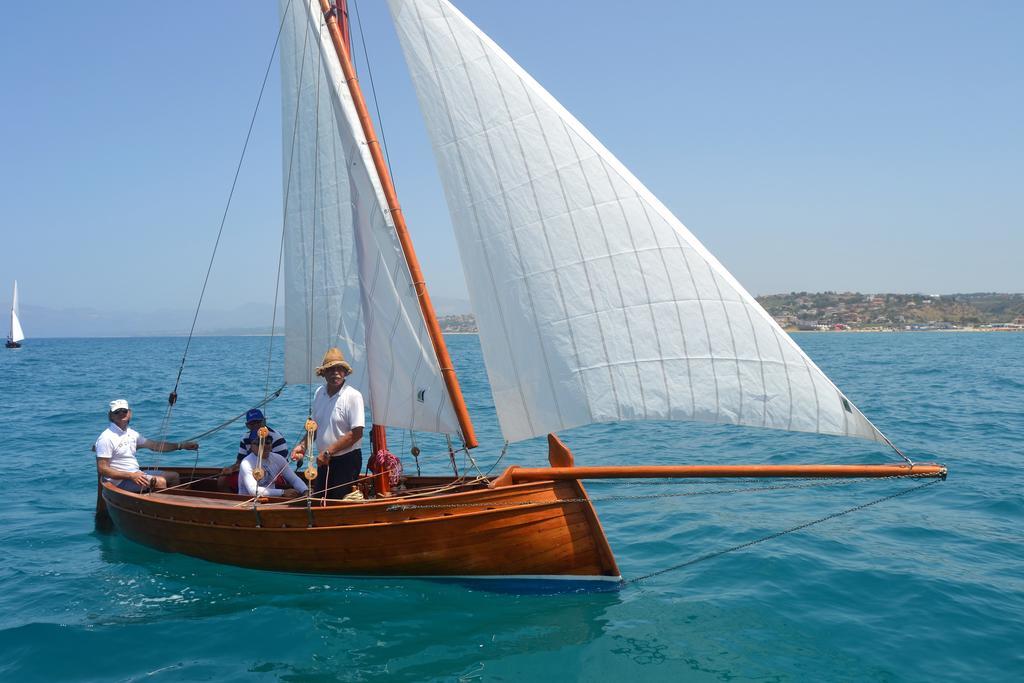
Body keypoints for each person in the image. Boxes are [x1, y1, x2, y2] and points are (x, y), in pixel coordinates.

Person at [291, 348, 364, 500]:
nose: (335, 373)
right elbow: (315, 427)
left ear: (345, 372)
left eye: (339, 369)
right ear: (323, 373)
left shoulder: (353, 396)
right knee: (320, 500)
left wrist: (327, 452)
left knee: (340, 502)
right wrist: (303, 446)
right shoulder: (319, 393)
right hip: (324, 460)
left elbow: (357, 433)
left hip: (346, 460)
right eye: (331, 369)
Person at [94, 399, 199, 493]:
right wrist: (130, 476)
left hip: (135, 473)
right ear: (111, 415)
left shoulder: (132, 434)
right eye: (117, 412)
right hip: (119, 481)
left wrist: (181, 446)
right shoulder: (106, 437)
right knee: (160, 482)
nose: (121, 414)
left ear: (129, 413)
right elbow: (103, 469)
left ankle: (178, 504)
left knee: (174, 476)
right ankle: (161, 512)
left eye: (124, 411)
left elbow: (155, 445)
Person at [218, 408, 289, 492]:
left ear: (264, 421)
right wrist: (230, 469)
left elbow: (281, 466)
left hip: (276, 474)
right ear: (247, 425)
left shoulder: (277, 438)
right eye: (252, 423)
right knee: (223, 479)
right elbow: (240, 462)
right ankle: (233, 499)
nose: (256, 426)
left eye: (258, 422)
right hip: (253, 471)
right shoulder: (245, 438)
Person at [238, 430, 308, 499]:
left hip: (272, 500)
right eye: (259, 443)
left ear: (271, 444)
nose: (264, 445)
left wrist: (305, 490)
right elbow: (253, 491)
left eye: (267, 442)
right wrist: (283, 492)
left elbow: (294, 479)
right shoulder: (246, 463)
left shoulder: (278, 459)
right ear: (251, 446)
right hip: (249, 503)